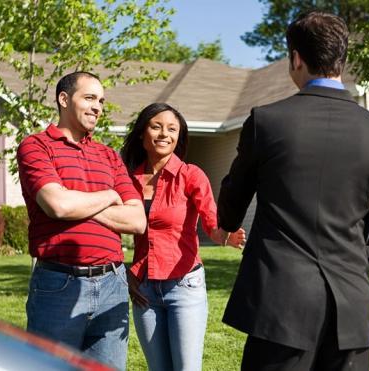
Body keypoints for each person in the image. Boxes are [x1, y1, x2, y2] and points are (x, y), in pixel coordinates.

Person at [217, 10, 369, 371]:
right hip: (351, 312)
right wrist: (355, 256)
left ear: (296, 58)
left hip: (279, 307)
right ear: (341, 58)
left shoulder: (267, 121)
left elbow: (230, 213)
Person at [16, 71, 146, 370]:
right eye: (89, 98)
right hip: (58, 284)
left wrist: (79, 202)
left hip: (113, 282)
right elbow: (57, 205)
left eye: (101, 101)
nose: (97, 107)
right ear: (64, 99)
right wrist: (110, 195)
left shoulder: (109, 156)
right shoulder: (36, 146)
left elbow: (137, 220)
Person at [120, 103, 246, 371]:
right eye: (156, 126)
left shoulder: (190, 175)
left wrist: (226, 235)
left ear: (178, 137)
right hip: (144, 289)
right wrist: (125, 274)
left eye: (172, 129)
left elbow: (211, 219)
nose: (164, 134)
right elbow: (110, 229)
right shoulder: (128, 180)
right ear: (142, 135)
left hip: (184, 286)